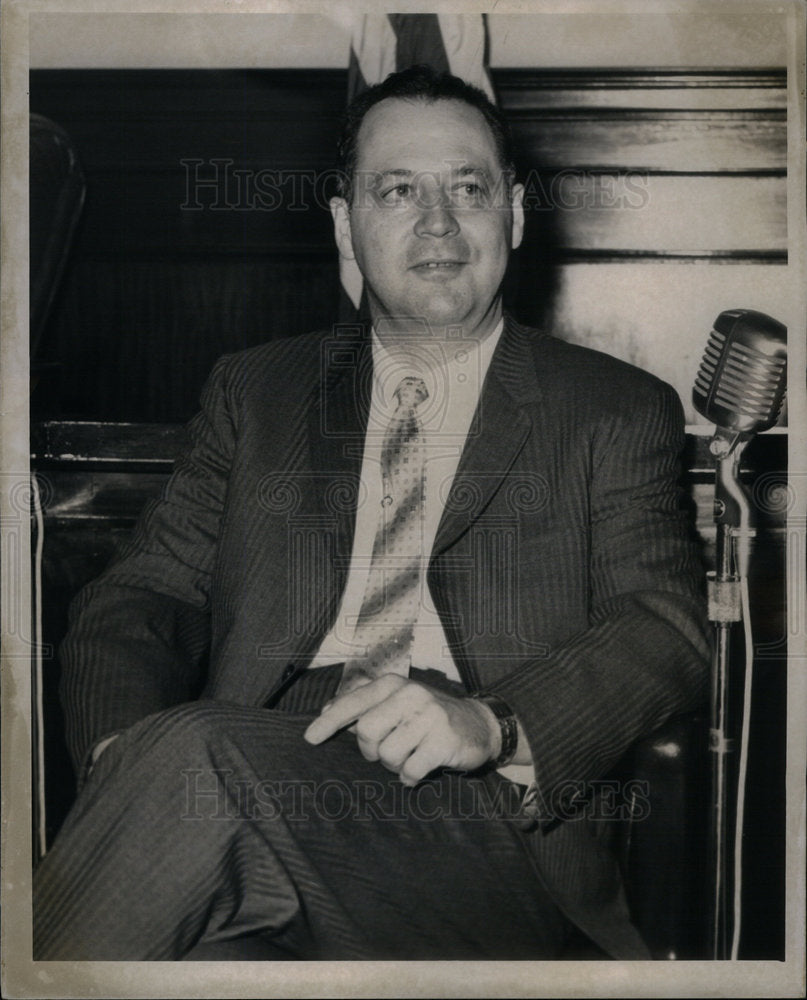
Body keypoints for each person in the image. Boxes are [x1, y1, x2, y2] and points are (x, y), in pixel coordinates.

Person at [33, 66, 709, 961]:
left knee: (194, 762)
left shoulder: (612, 408)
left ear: (512, 212)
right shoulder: (258, 390)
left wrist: (495, 722)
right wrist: (129, 754)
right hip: (247, 774)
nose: (437, 221)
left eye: (467, 188)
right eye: (397, 191)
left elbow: (663, 628)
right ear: (345, 226)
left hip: (480, 820)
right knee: (208, 946)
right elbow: (142, 597)